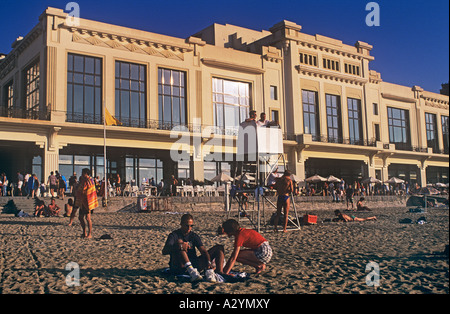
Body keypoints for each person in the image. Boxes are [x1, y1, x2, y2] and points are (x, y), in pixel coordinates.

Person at [162, 214, 225, 282]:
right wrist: (180, 246)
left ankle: (219, 273)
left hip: (194, 263)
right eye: (187, 225)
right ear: (181, 224)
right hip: (179, 265)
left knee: (219, 248)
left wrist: (208, 263)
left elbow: (203, 251)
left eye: (191, 226)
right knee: (180, 242)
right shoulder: (174, 235)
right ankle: (191, 271)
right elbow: (164, 251)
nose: (189, 228)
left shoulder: (193, 236)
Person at [74, 168, 98, 238]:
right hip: (82, 202)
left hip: (88, 202)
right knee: (80, 217)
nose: (81, 174)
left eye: (82, 173)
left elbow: (91, 191)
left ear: (86, 173)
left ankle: (89, 233)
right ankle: (84, 232)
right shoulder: (83, 180)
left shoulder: (90, 180)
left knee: (88, 218)